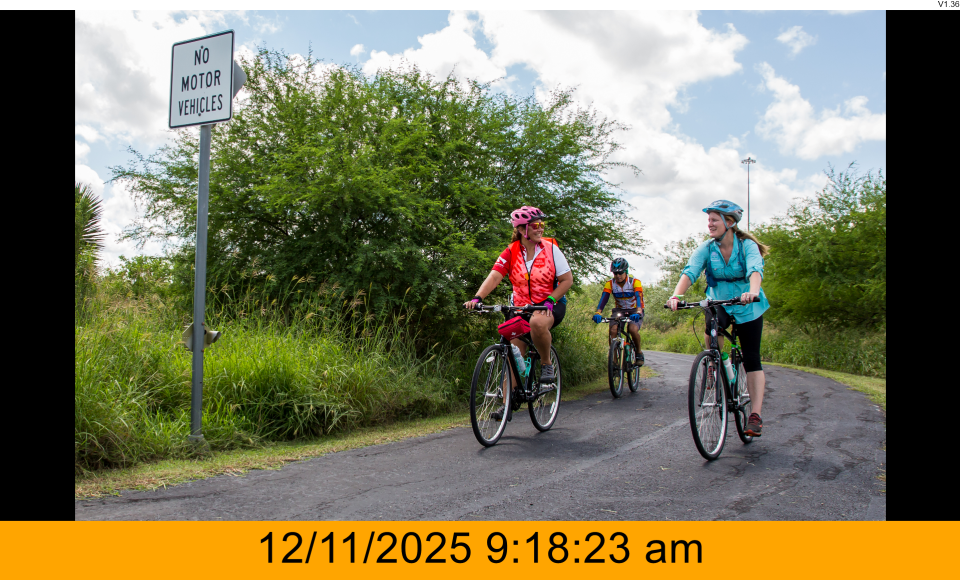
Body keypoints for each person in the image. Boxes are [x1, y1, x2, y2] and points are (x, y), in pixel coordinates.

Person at [666, 200, 770, 436]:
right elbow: (690, 271)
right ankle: (716, 362)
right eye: (709, 220)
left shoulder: (747, 246)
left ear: (729, 222)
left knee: (752, 358)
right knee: (711, 326)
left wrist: (753, 292)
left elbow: (755, 270)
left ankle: (755, 415)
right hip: (719, 301)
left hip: (747, 305)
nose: (710, 224)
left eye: (714, 220)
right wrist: (676, 295)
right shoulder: (707, 247)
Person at [463, 206, 573, 419]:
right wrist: (478, 298)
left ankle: (546, 364)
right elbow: (495, 276)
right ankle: (506, 405)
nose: (540, 229)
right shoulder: (511, 251)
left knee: (537, 323)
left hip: (551, 304)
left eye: (542, 224)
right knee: (513, 352)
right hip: (522, 308)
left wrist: (551, 299)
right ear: (522, 229)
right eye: (535, 225)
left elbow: (567, 280)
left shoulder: (551, 249)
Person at [592, 257, 645, 367]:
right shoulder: (610, 284)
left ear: (626, 272)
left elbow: (638, 297)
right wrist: (598, 312)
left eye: (620, 273)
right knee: (613, 330)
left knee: (632, 329)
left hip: (635, 309)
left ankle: (639, 353)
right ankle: (614, 360)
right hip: (620, 310)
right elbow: (604, 298)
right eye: (615, 273)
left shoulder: (635, 282)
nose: (618, 276)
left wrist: (639, 312)